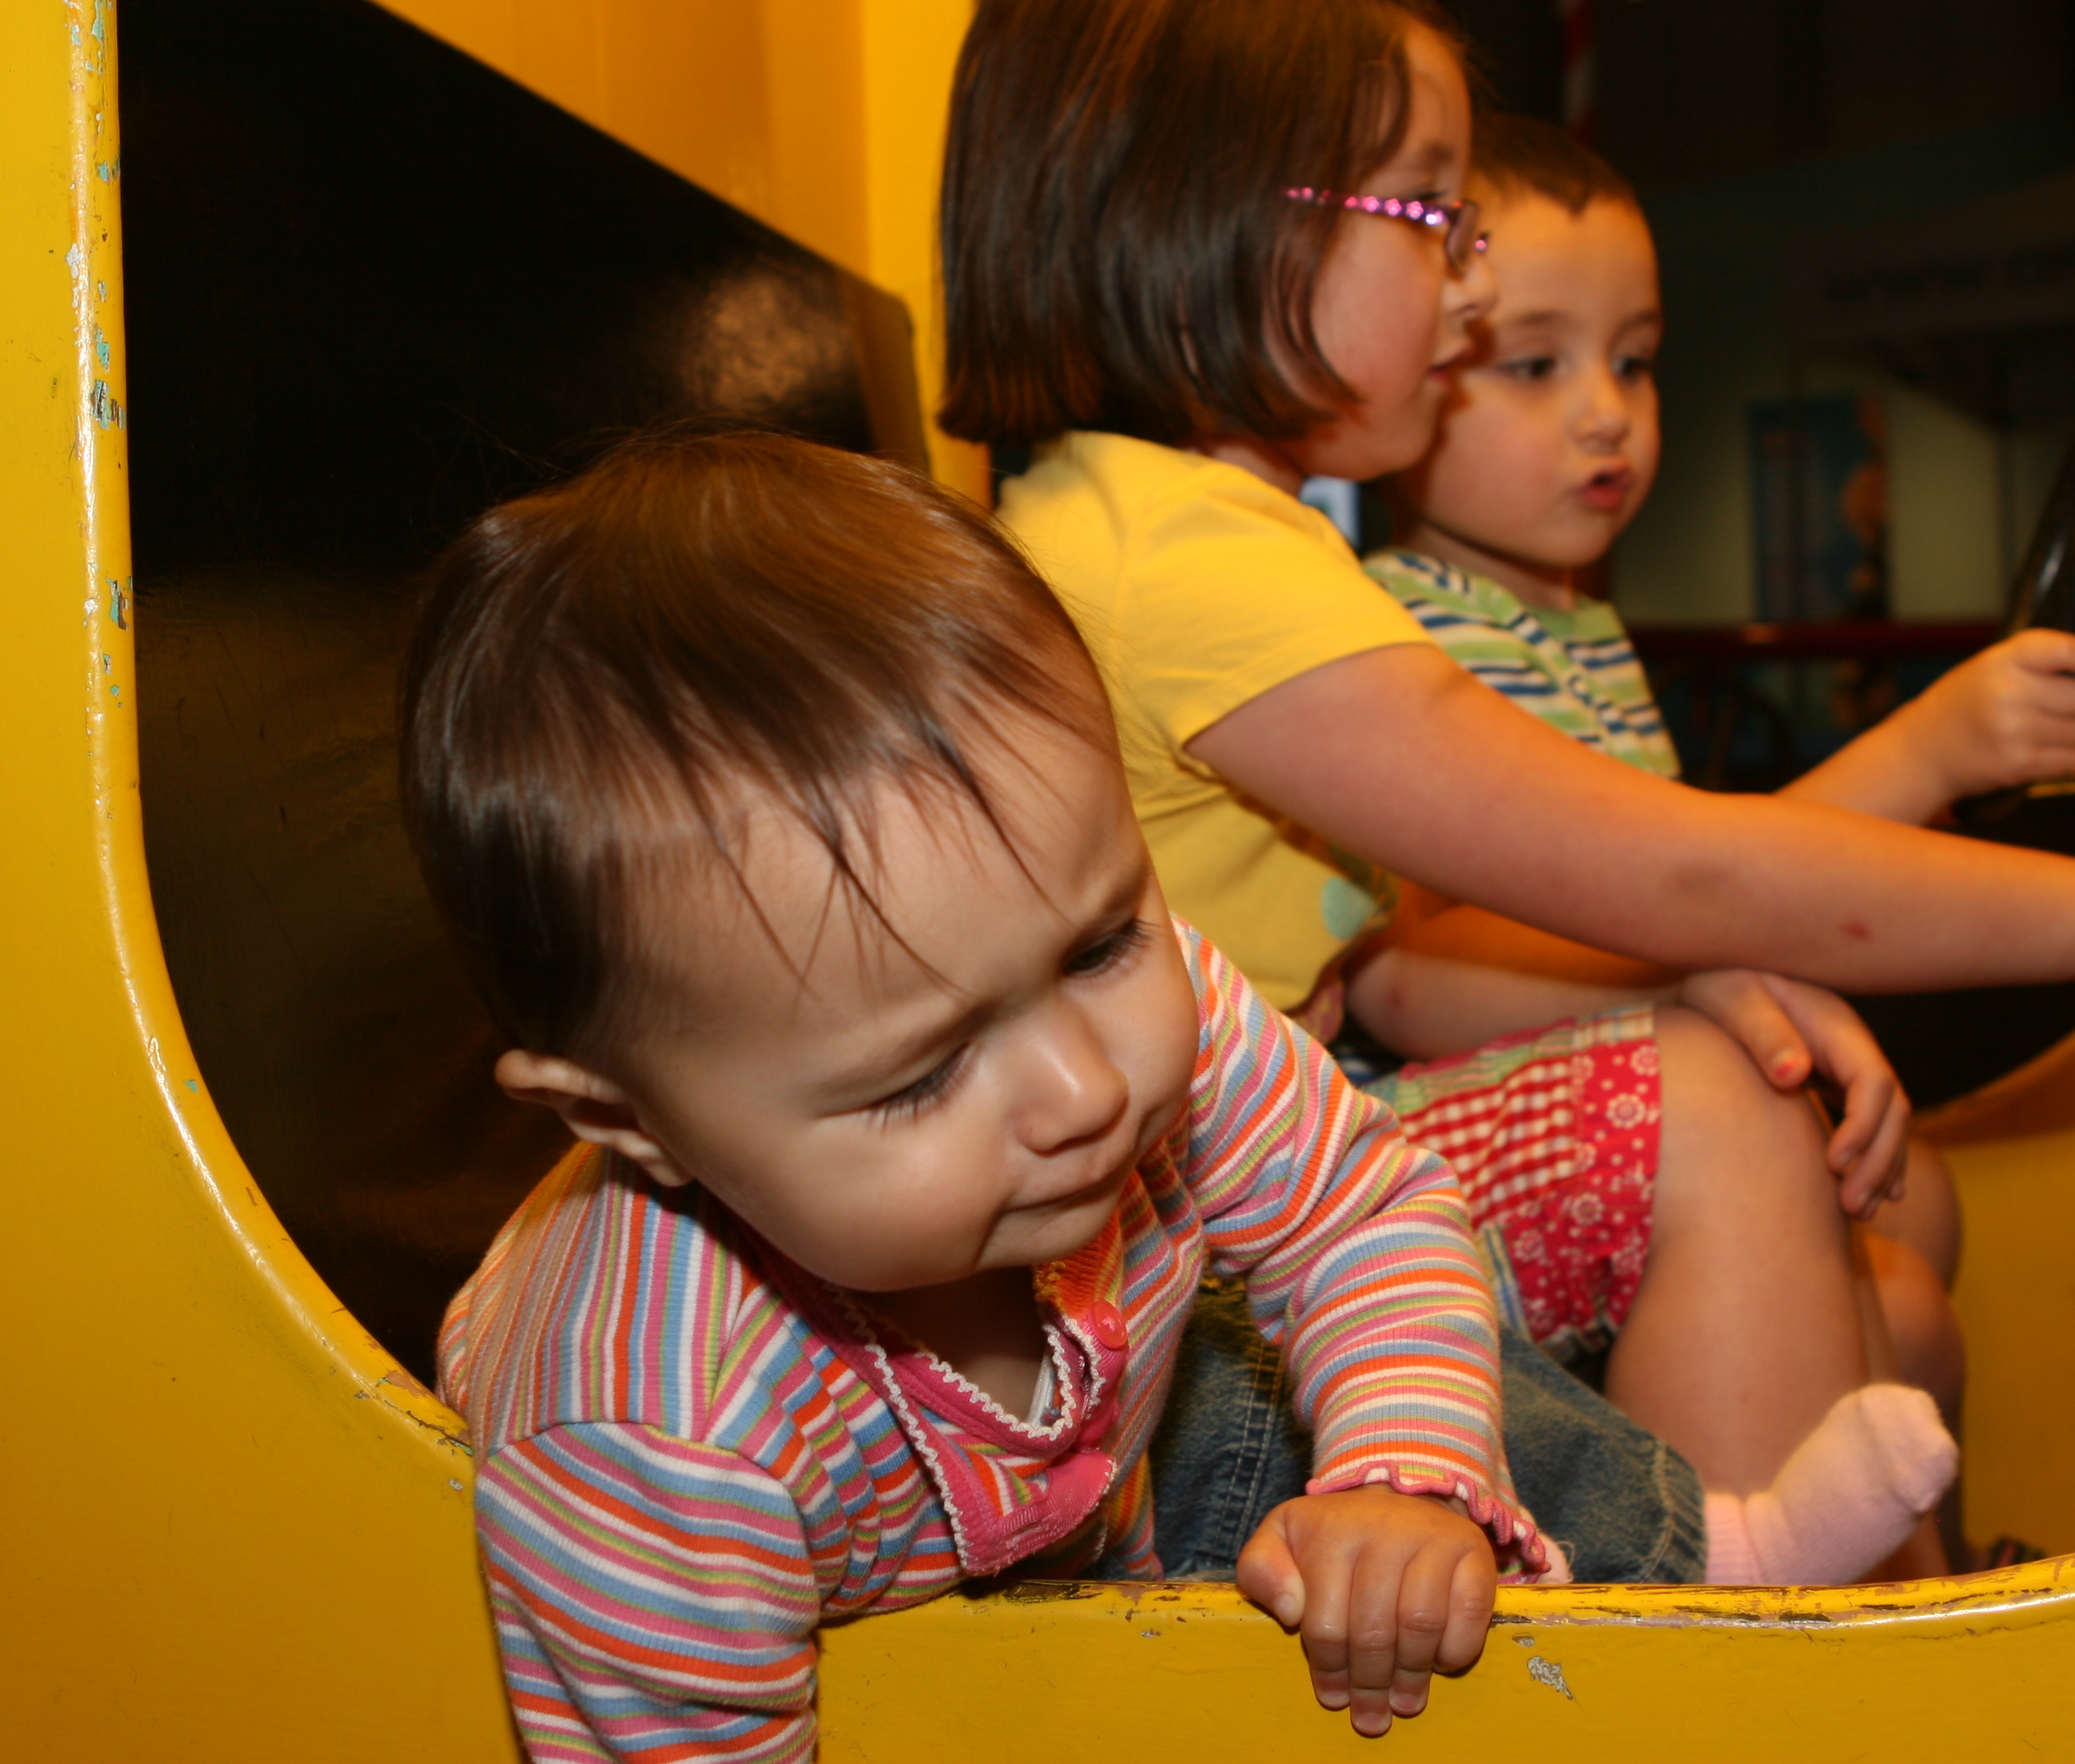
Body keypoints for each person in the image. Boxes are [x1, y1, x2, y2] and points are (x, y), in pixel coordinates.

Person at [944, 0, 2075, 1573]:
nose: (1466, 278)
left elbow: (1424, 943)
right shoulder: (1193, 562)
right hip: (1204, 1274)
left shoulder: (1166, 528)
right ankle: (1741, 1666)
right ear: (1220, 222)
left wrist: (1700, 968)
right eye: (1428, 212)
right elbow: (1681, 871)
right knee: (1715, 1110)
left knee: (1842, 1178)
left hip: (1230, 1207)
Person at [407, 431, 1956, 1761]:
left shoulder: (1091, 1004)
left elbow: (1363, 1210)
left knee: (1368, 1375)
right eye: (923, 1076)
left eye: (1101, 944)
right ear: (632, 1125)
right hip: (944, 1629)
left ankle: (1700, 1560)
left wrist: (1404, 1478)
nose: (1087, 1087)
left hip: (1123, 1470)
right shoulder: (652, 1443)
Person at [1368, 111, 2075, 1302]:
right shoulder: (1405, 631)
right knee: (1898, 1285)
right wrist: (1925, 752)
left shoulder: (1573, 631)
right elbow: (1643, 909)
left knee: (1921, 1207)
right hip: (1440, 1151)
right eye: (1535, 365)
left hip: (1600, 1076)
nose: (1607, 410)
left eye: (1634, 360)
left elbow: (1693, 888)